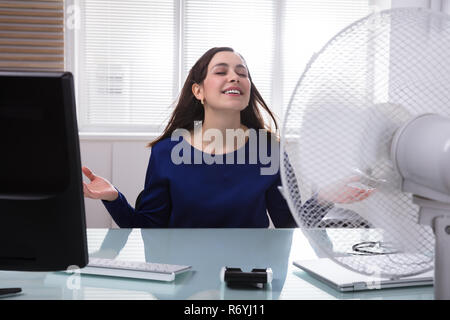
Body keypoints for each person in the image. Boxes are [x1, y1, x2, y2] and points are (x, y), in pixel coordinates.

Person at [82, 47, 371, 228]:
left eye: (242, 73)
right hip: (183, 276)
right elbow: (148, 227)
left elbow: (287, 224)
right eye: (221, 71)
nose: (234, 77)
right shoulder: (167, 152)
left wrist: (322, 198)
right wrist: (113, 197)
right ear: (199, 91)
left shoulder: (269, 150)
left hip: (250, 277)